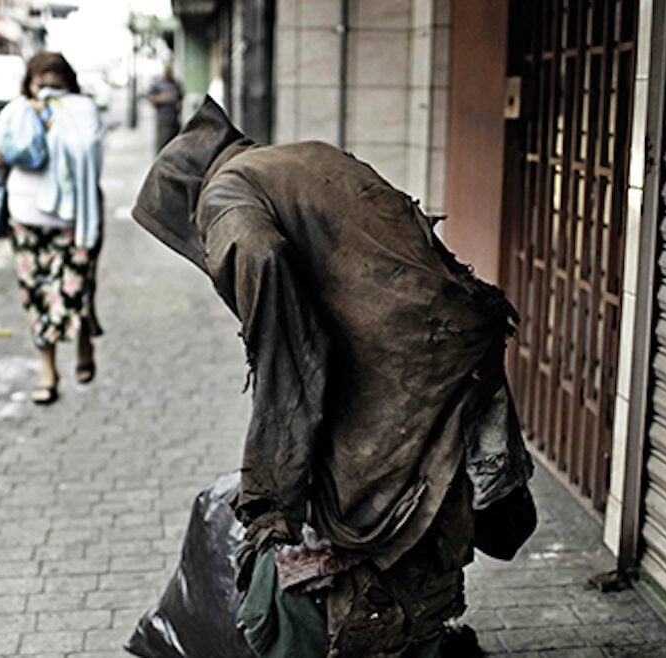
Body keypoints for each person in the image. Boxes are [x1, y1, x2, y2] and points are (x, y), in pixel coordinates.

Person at [132, 98, 535, 656]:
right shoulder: (300, 157)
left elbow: (283, 330)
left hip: (413, 372)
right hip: (453, 348)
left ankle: (384, 633)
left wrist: (272, 496)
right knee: (424, 508)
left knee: (363, 526)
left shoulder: (223, 198)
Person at [0, 51, 104, 404]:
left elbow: (91, 153)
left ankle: (83, 338)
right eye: (41, 79)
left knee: (74, 292)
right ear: (29, 82)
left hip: (73, 221)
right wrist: (24, 137)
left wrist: (57, 122)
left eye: (55, 79)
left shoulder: (82, 111)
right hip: (25, 218)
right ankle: (48, 371)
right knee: (36, 297)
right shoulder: (15, 111)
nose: (48, 86)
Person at [145, 61, 183, 153]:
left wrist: (179, 105)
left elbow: (180, 98)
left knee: (174, 148)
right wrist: (163, 98)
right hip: (163, 121)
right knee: (162, 148)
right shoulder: (157, 84)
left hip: (175, 121)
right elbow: (150, 99)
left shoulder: (175, 83)